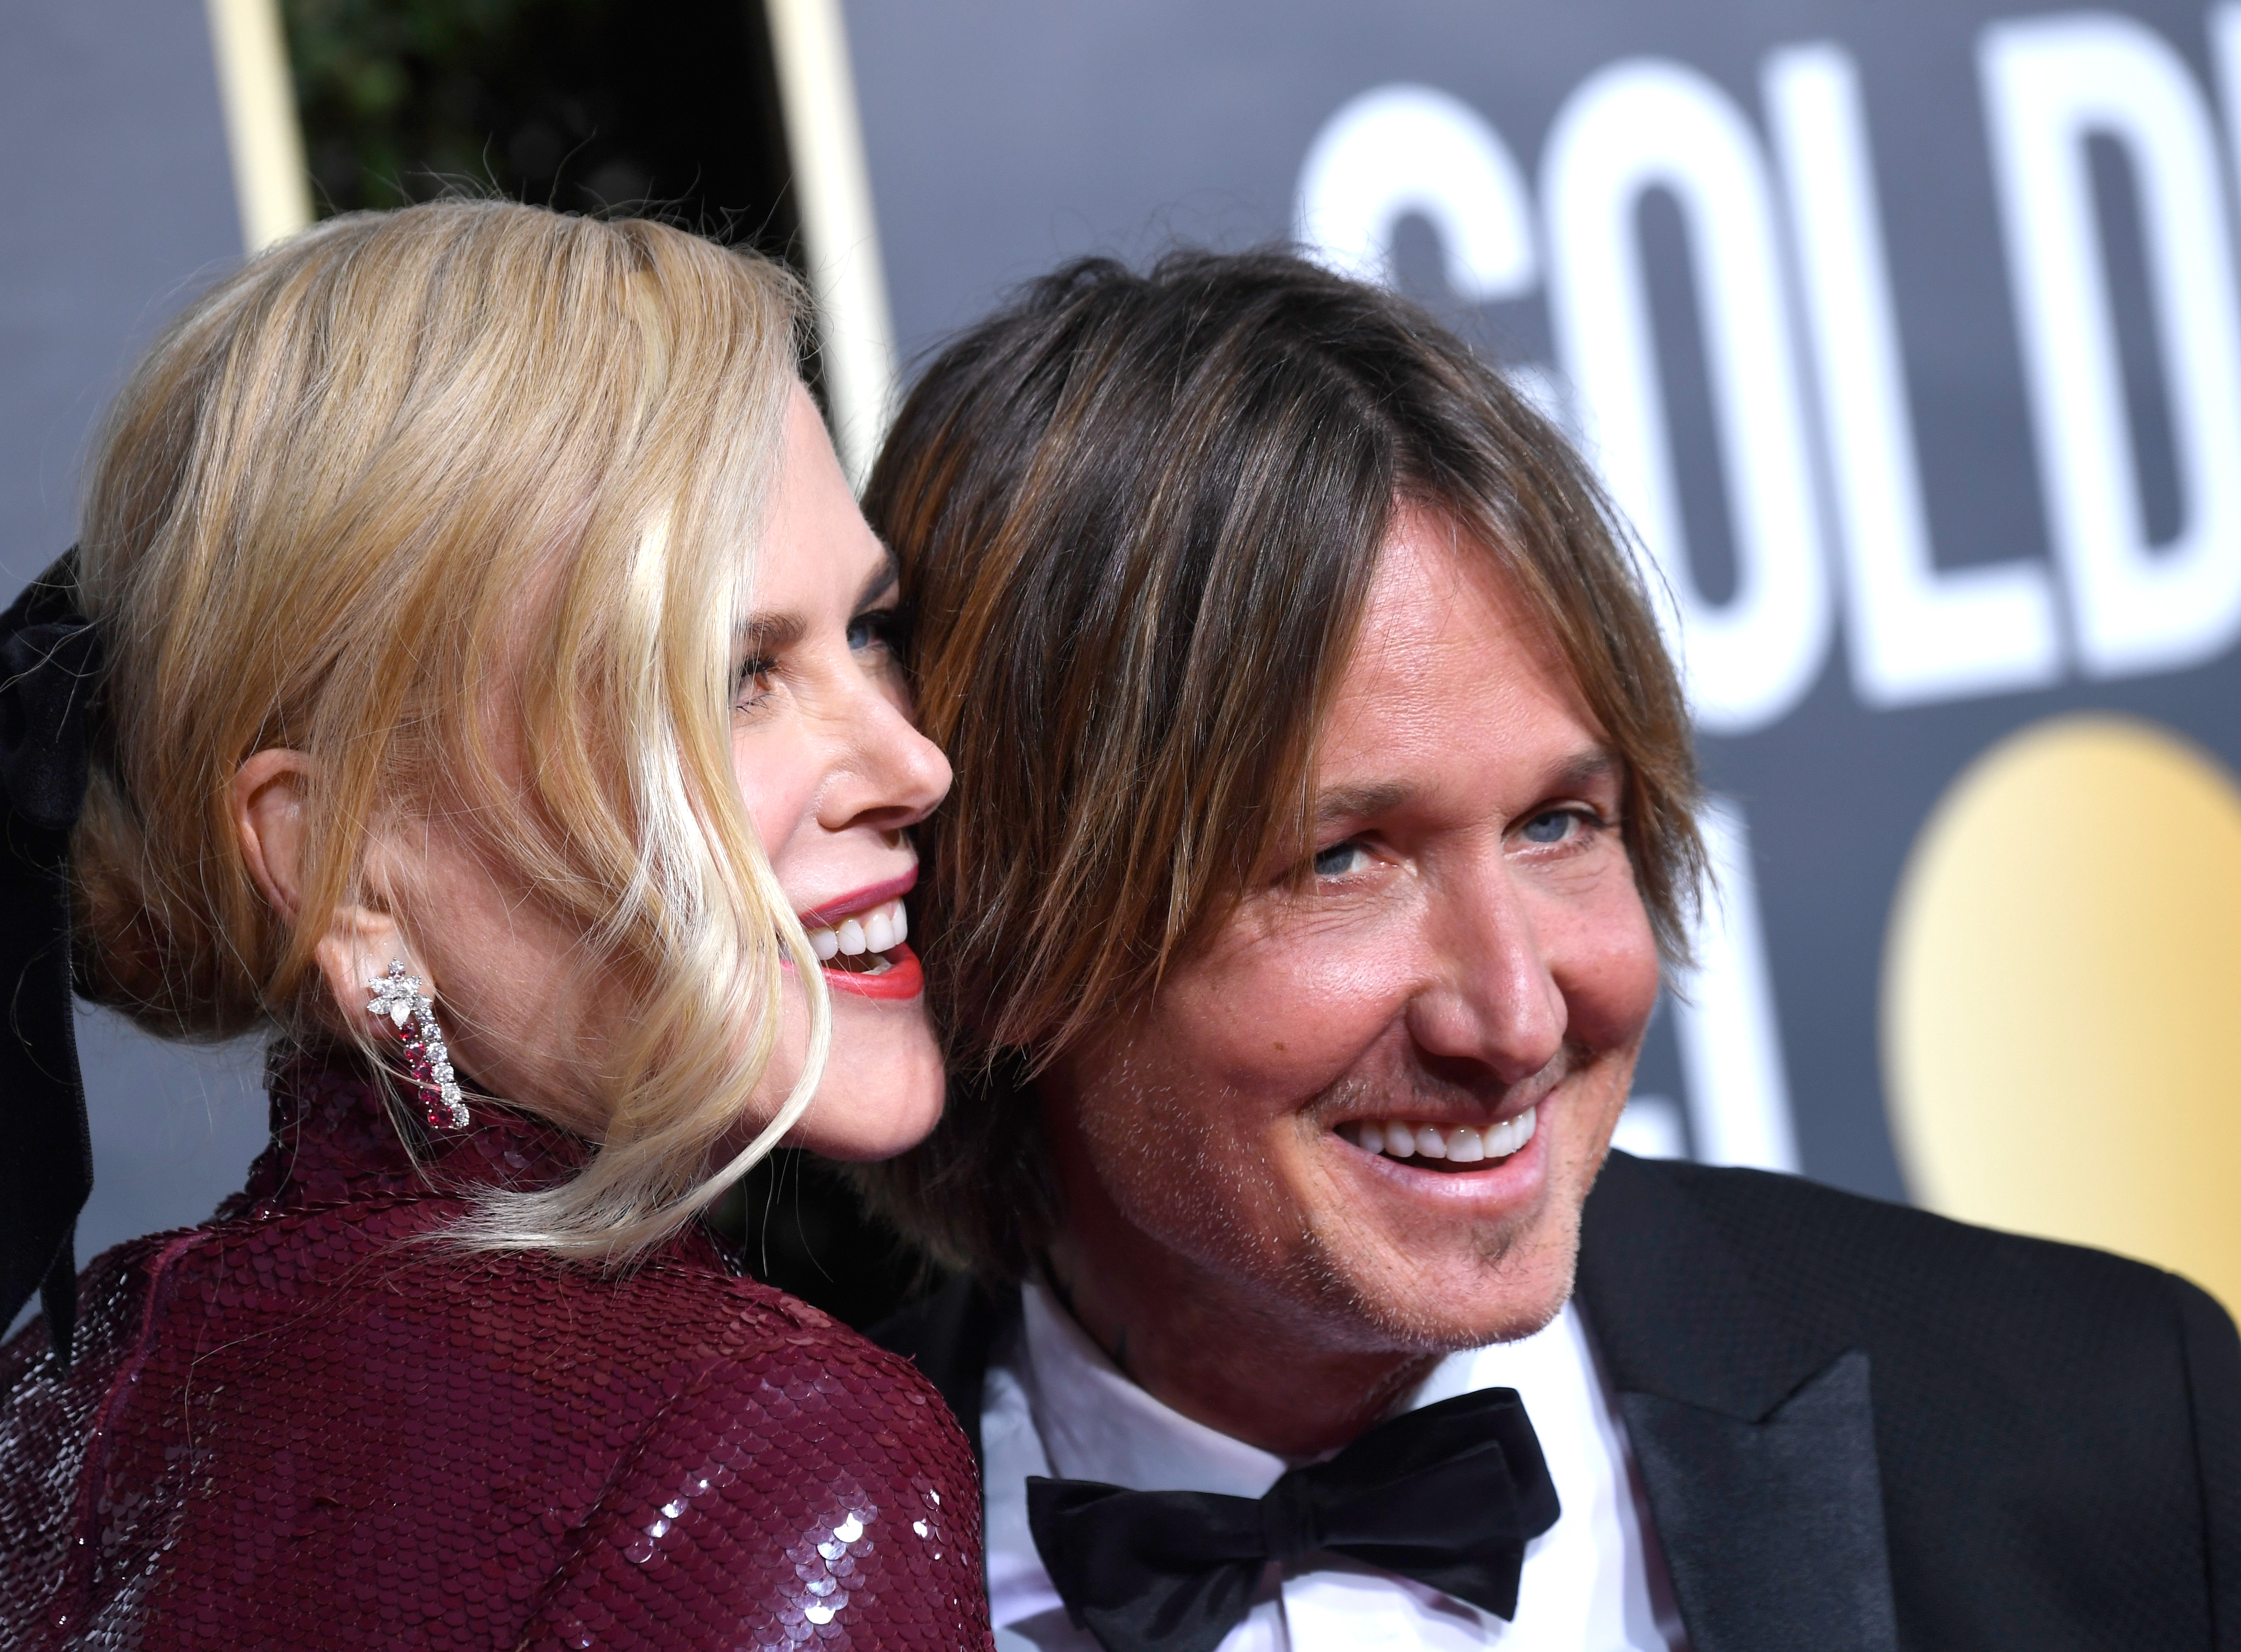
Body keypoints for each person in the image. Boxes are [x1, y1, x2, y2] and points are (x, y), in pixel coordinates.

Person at [858, 250, 2241, 1652]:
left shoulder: (2108, 1429)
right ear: (1009, 920)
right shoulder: (759, 1577)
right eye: (1343, 859)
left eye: (1557, 824)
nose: (1514, 1017)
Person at [0, 203, 990, 1651]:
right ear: (339, 869)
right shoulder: (765, 1452)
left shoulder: (36, 1427)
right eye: (735, 674)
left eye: (866, 631)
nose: (916, 764)